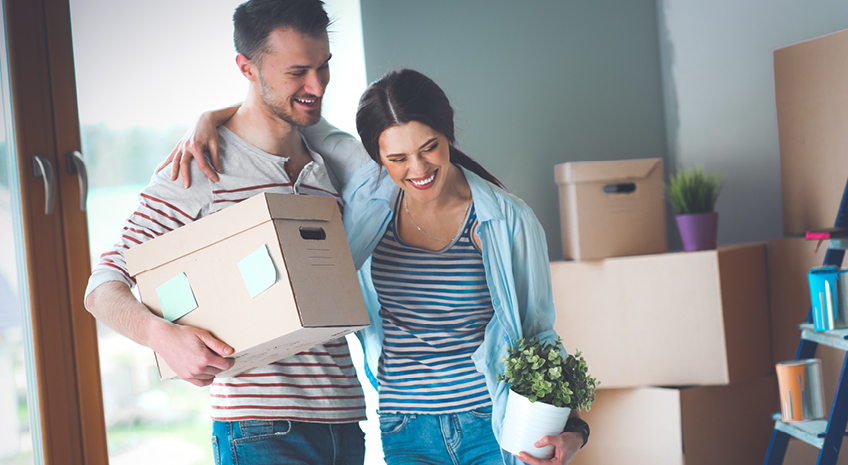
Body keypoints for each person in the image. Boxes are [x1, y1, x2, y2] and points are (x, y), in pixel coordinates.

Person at [168, 69, 589, 465]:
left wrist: (574, 430)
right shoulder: (368, 195)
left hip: (490, 423)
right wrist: (210, 118)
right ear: (377, 157)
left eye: (430, 148)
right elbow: (291, 114)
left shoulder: (506, 220)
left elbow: (539, 333)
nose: (418, 169)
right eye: (398, 158)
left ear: (449, 134)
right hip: (405, 428)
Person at [83, 1, 368, 464]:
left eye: (324, 67)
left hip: (344, 424)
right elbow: (102, 287)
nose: (316, 87)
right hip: (260, 430)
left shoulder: (326, 163)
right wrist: (162, 336)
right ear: (247, 68)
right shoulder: (199, 169)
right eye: (298, 72)